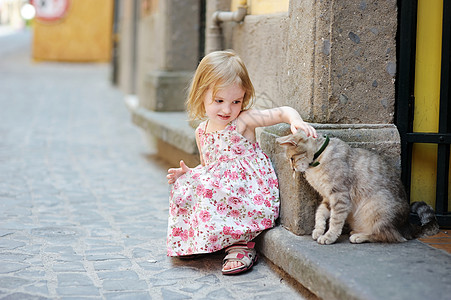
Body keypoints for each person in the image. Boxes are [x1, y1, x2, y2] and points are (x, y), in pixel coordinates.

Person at [166, 50, 317, 275]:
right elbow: (210, 169)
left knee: (213, 190)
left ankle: (240, 245)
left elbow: (282, 112)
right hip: (224, 188)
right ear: (201, 95)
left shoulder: (244, 120)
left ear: (244, 97)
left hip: (248, 189)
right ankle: (199, 238)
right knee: (186, 186)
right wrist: (189, 174)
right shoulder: (201, 132)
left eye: (236, 101)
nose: (227, 109)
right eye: (219, 101)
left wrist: (295, 121)